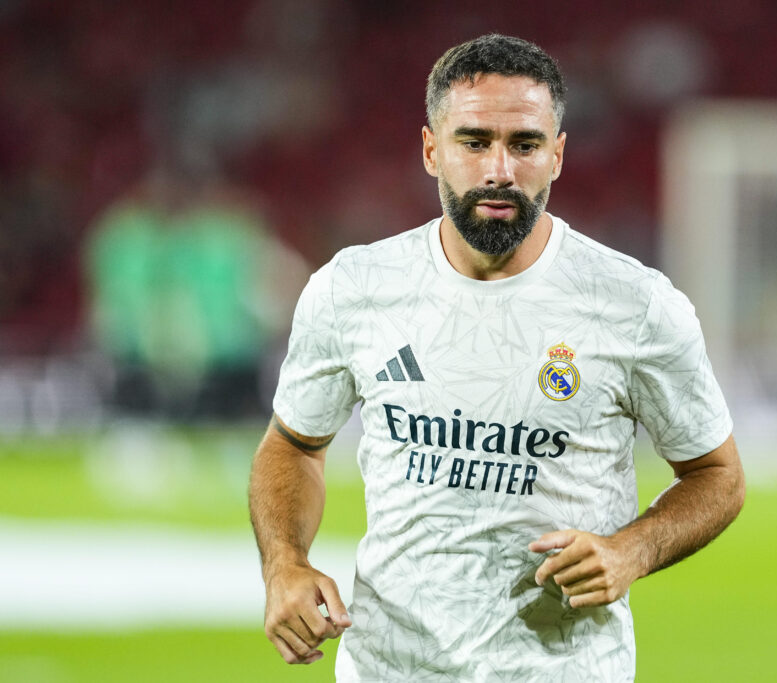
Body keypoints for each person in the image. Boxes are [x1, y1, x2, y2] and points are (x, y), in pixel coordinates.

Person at [249, 34, 744, 681]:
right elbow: (293, 443)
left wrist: (632, 549)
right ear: (432, 149)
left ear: (559, 154)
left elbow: (717, 474)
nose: (500, 170)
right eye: (475, 141)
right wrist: (285, 561)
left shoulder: (636, 305)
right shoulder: (355, 288)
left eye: (526, 144)